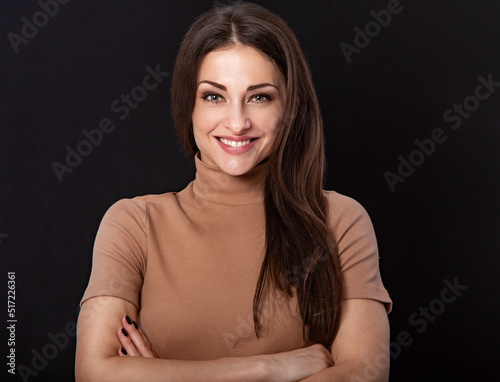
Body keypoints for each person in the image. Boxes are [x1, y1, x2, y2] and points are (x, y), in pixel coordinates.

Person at [75, 2, 392, 381]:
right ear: (187, 105)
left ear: (290, 105)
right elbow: (94, 372)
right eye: (214, 96)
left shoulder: (340, 220)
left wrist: (161, 375)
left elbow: (363, 373)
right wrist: (267, 368)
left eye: (260, 96)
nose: (237, 122)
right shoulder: (134, 223)